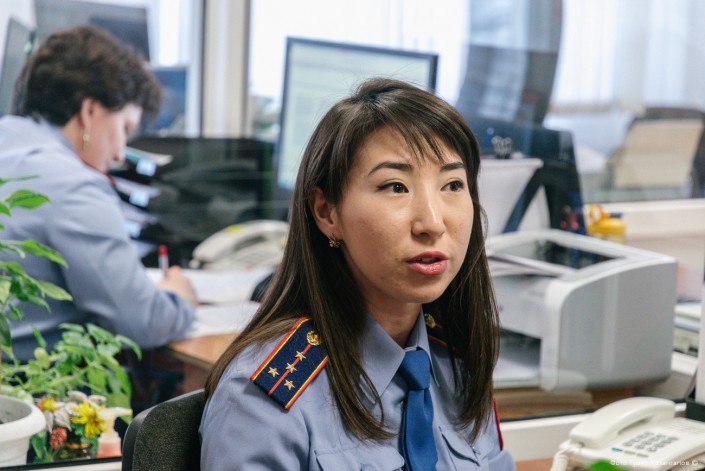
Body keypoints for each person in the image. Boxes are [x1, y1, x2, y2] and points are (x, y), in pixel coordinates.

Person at [200, 77, 515, 470]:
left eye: (452, 184)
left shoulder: (458, 365)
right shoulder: (263, 401)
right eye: (396, 187)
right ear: (327, 212)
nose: (432, 223)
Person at [0, 26, 197, 360]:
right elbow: (142, 321)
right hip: (33, 385)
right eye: (124, 128)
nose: (120, 153)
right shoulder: (72, 185)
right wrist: (178, 297)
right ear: (89, 112)